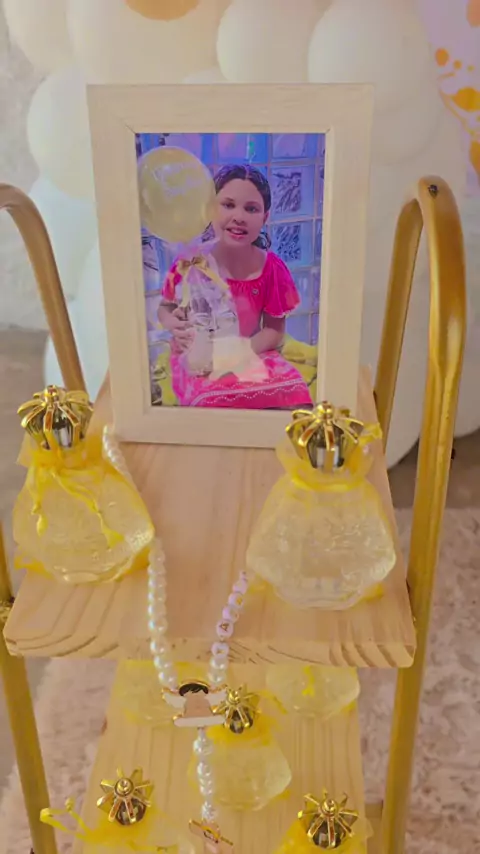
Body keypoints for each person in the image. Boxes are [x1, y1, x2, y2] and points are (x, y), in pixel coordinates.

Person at [157, 163, 313, 409]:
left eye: (251, 209)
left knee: (295, 395)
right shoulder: (190, 262)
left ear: (265, 217)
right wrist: (171, 322)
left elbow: (273, 330)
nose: (239, 217)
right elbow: (165, 307)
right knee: (210, 404)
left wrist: (238, 353)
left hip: (250, 350)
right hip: (199, 356)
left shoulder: (271, 268)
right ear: (210, 209)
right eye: (228, 205)